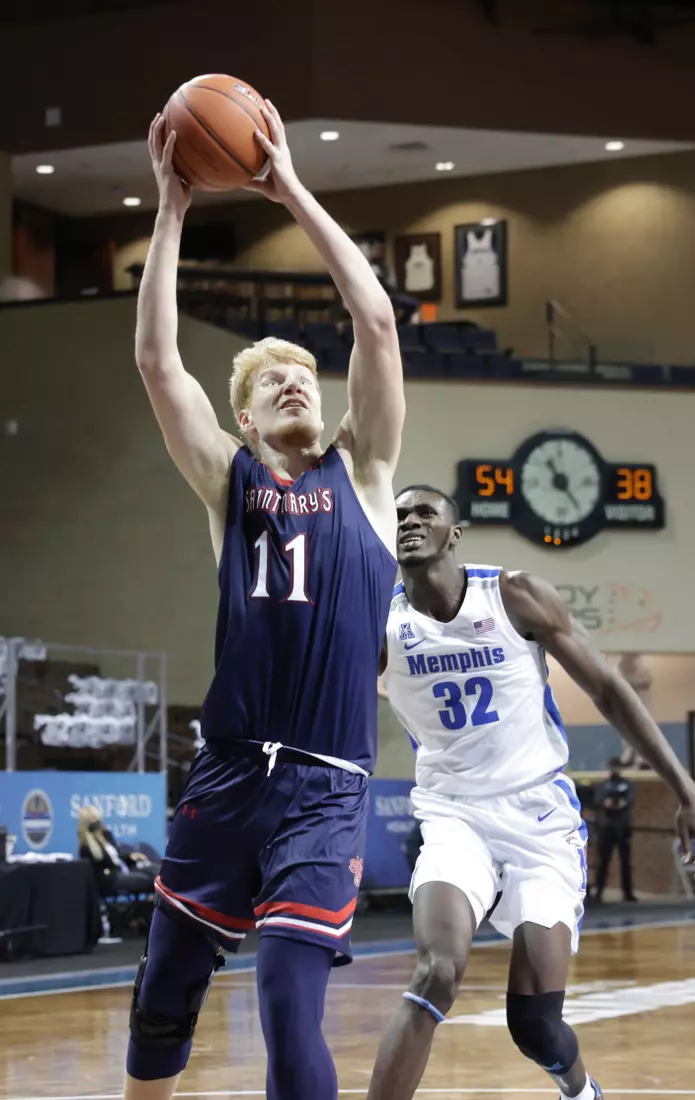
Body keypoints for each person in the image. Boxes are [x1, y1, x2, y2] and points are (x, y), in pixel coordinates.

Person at [124, 102, 403, 1100]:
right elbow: (159, 363)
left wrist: (287, 187)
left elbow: (373, 318)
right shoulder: (231, 484)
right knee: (164, 994)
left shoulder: (366, 476)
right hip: (231, 770)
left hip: (325, 784)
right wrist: (171, 206)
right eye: (270, 377)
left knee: (290, 1000)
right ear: (242, 417)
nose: (292, 380)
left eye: (301, 373)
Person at [371, 485, 695, 1100]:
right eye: (399, 514)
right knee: (435, 971)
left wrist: (686, 789)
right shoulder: (380, 625)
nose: (410, 521)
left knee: (534, 1027)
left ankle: (579, 1089)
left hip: (539, 817)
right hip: (454, 816)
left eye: (426, 512)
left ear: (455, 534)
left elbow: (609, 689)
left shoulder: (514, 595)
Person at [78, 806, 158, 898]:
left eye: (97, 818)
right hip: (110, 879)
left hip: (122, 870)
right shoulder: (86, 846)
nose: (97, 822)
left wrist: (130, 856)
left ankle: (155, 902)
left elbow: (116, 857)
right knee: (146, 880)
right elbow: (99, 869)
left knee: (154, 871)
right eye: (92, 820)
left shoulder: (106, 835)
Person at [594, 757, 637, 903]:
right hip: (607, 827)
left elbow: (629, 800)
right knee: (603, 861)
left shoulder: (627, 785)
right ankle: (598, 892)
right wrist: (609, 803)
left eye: (618, 767)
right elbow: (599, 800)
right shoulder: (604, 785)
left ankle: (628, 893)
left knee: (625, 861)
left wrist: (620, 803)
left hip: (623, 827)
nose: (615, 770)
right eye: (613, 767)